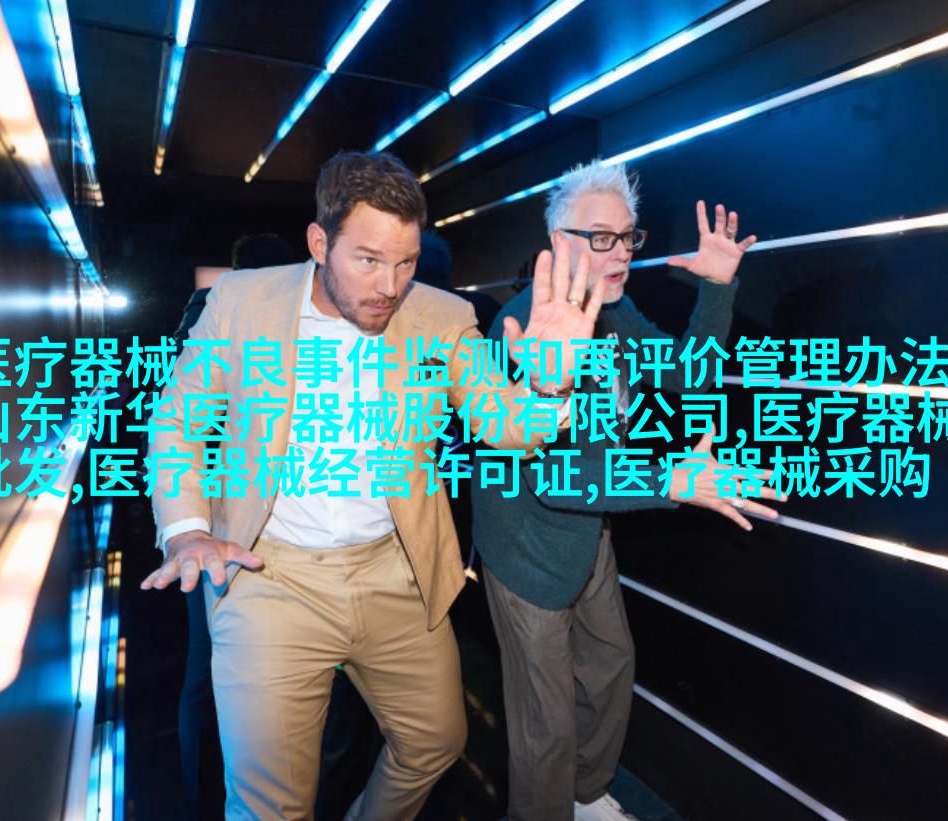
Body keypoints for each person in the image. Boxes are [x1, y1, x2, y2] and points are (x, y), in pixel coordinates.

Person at [141, 150, 607, 819]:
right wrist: (187, 530)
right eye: (368, 260)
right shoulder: (244, 302)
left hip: (395, 573)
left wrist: (549, 385)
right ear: (319, 243)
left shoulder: (440, 316)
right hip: (272, 575)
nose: (390, 284)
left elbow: (504, 424)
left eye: (407, 261)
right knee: (270, 805)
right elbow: (178, 419)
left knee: (436, 741)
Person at [470, 160, 785, 821]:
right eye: (600, 237)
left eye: (628, 236)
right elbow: (554, 478)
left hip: (590, 529)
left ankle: (585, 793)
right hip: (526, 550)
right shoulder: (523, 332)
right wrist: (671, 479)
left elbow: (688, 375)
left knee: (611, 664)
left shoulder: (613, 309)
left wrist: (717, 288)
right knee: (546, 722)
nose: (621, 253)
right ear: (557, 242)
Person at [172, 232, 297, 820]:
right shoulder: (221, 313)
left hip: (234, 517)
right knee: (216, 662)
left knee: (213, 665)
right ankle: (215, 793)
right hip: (225, 520)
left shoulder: (204, 309)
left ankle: (204, 791)